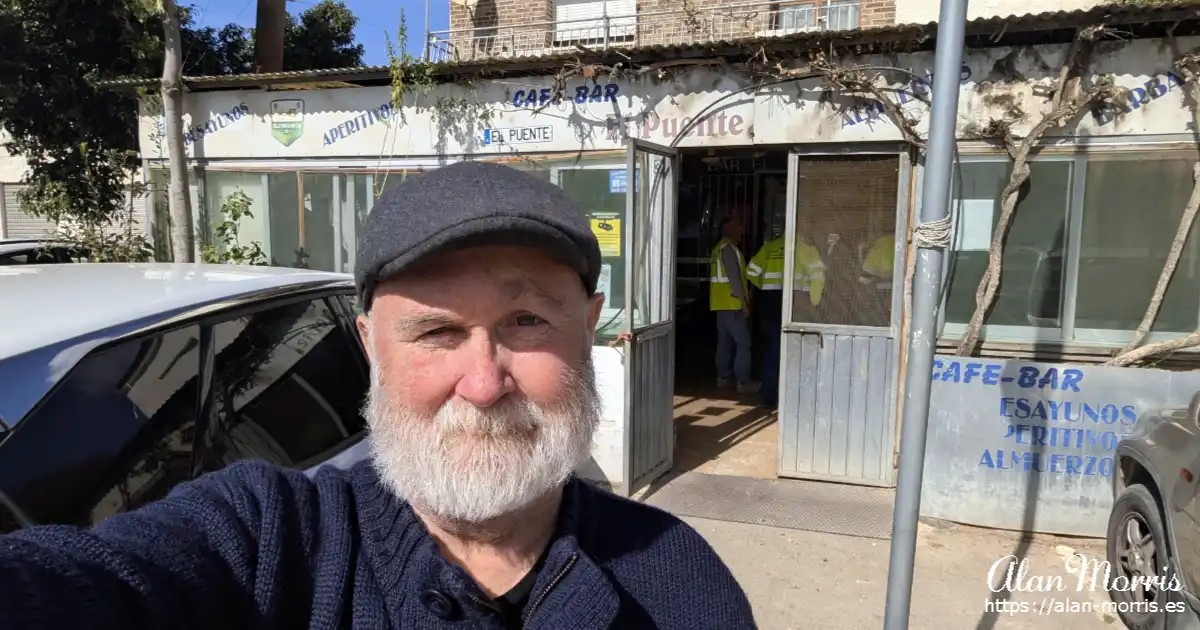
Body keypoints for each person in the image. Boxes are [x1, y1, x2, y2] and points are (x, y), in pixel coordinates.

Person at [0, 162, 756, 629]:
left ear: (586, 330)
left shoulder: (678, 583)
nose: (485, 383)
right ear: (370, 345)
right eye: (435, 333)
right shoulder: (274, 543)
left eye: (526, 321)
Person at [709, 214, 759, 395]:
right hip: (732, 303)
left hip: (720, 304)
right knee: (744, 342)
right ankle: (743, 382)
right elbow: (735, 279)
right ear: (727, 228)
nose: (742, 229)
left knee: (724, 343)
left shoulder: (719, 249)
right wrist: (745, 305)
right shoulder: (728, 250)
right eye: (738, 225)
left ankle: (723, 378)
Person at [746, 229, 785, 408]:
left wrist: (762, 288)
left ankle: (769, 396)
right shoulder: (804, 249)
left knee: (771, 349)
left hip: (769, 301)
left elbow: (751, 272)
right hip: (795, 300)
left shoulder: (769, 248)